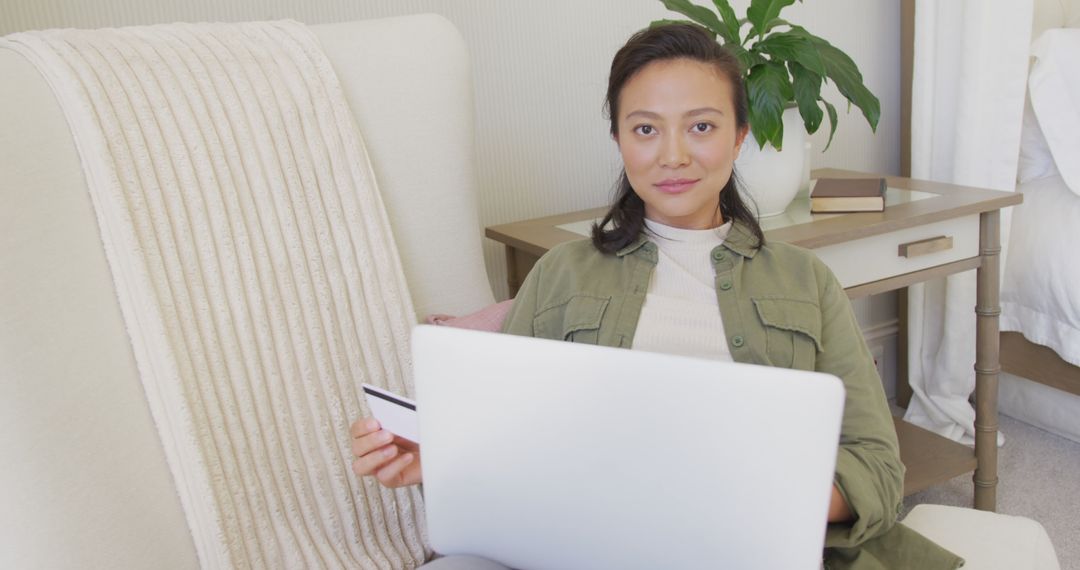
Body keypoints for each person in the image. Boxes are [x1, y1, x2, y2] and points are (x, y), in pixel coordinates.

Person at [352, 22, 963, 569]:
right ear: (619, 137)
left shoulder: (807, 282)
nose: (673, 155)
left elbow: (878, 470)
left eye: (701, 126)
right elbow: (503, 442)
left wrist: (759, 500)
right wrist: (439, 459)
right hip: (579, 543)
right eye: (646, 128)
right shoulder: (560, 273)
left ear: (740, 136)